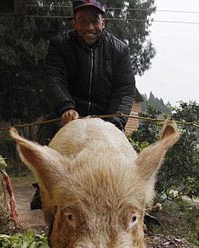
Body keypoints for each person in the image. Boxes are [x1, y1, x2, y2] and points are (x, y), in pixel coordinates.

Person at [37, 0, 136, 145]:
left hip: (106, 121)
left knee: (126, 157)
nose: (89, 27)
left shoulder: (120, 50)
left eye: (95, 21)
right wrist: (66, 107)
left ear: (103, 23)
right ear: (74, 23)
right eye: (83, 21)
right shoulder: (59, 46)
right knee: (44, 152)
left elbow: (124, 90)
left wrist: (115, 122)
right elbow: (53, 79)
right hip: (66, 118)